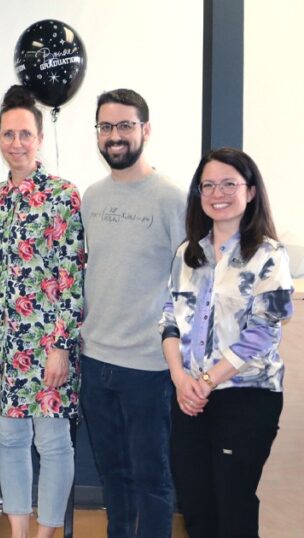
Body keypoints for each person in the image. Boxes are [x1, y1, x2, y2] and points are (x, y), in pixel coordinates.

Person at [0, 85, 84, 538]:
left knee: (53, 444)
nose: (17, 143)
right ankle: (18, 532)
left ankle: (47, 533)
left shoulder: (62, 196)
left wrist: (60, 346)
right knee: (9, 441)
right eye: (8, 134)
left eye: (25, 134)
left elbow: (71, 276)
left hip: (46, 345)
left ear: (39, 139)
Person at [161, 148, 293, 538]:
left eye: (229, 184)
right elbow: (168, 321)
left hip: (246, 397)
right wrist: (180, 379)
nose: (218, 193)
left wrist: (206, 381)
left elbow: (265, 330)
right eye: (208, 185)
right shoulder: (188, 253)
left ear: (250, 191)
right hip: (188, 397)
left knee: (233, 506)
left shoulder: (268, 255)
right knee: (197, 507)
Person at [79, 89, 185, 537]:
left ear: (145, 129)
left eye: (125, 126)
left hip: (148, 366)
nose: (115, 136)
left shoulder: (172, 199)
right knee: (114, 479)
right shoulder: (91, 197)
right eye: (106, 127)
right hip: (95, 359)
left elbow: (188, 285)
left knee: (152, 482)